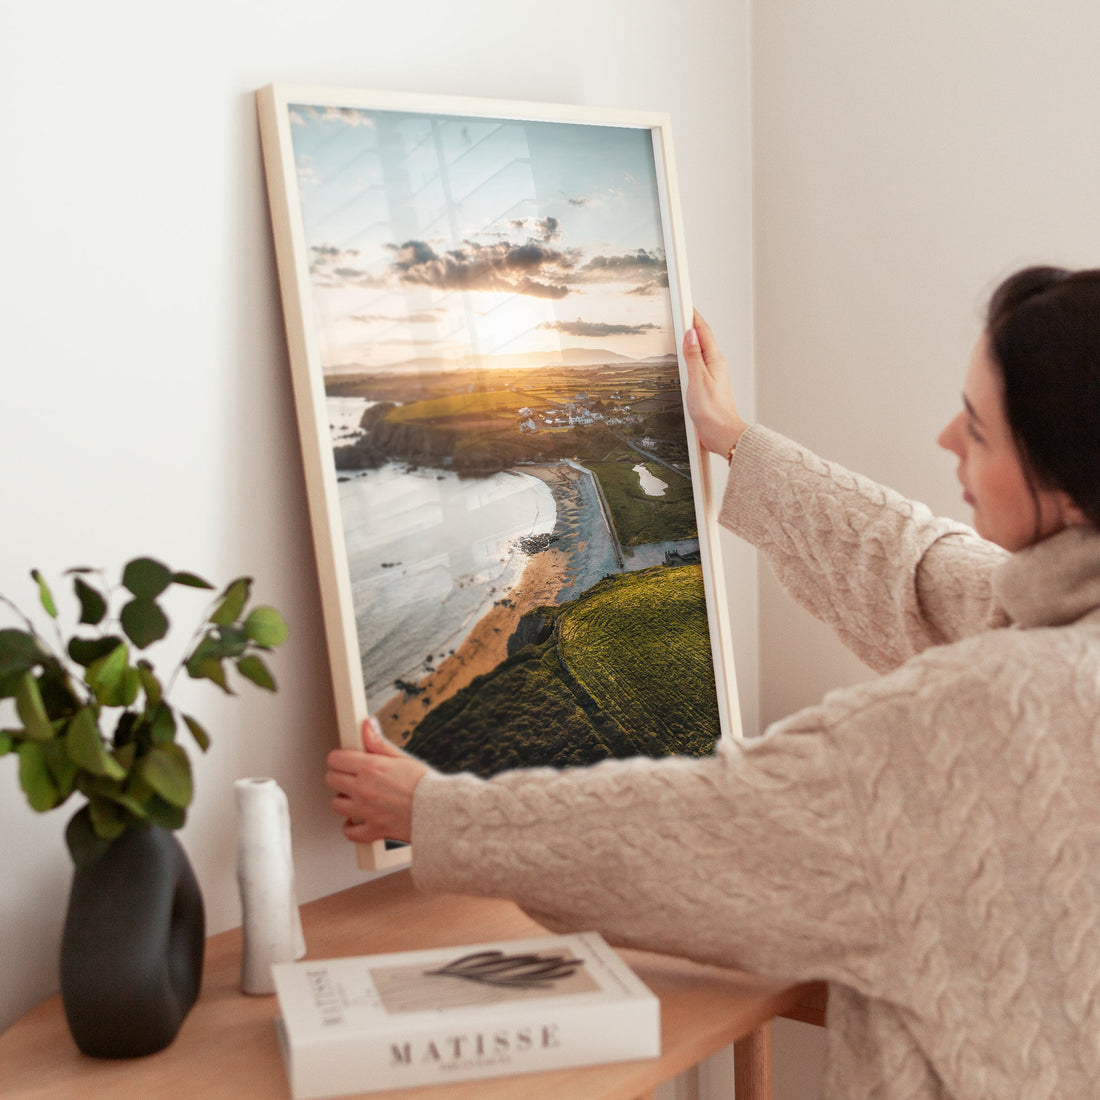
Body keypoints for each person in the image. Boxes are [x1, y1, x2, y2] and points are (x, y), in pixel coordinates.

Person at [326, 266, 1100, 1099]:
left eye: (980, 431)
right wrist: (734, 439)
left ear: (1065, 485)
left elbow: (707, 828)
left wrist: (435, 813)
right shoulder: (1061, 622)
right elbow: (918, 568)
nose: (947, 437)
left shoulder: (984, 713)